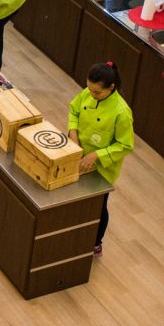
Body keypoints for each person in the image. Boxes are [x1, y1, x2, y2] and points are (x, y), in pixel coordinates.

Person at [67, 62, 134, 258]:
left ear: (111, 87)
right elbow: (74, 110)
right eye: (89, 89)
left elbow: (125, 145)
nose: (92, 94)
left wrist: (97, 155)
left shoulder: (121, 112)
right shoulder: (88, 93)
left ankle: (96, 242)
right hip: (77, 154)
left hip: (101, 168)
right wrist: (73, 133)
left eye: (97, 92)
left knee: (98, 206)